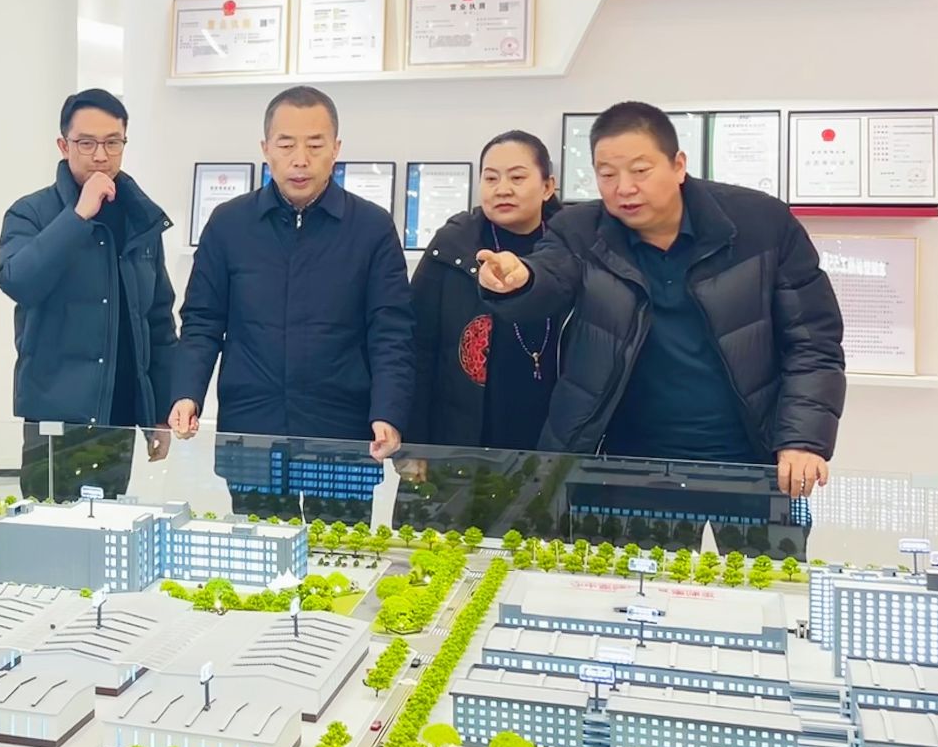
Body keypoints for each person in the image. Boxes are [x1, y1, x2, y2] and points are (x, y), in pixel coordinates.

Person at [474, 102, 846, 497]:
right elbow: (549, 277)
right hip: (629, 461)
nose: (624, 188)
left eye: (640, 171)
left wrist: (802, 439)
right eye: (607, 174)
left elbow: (813, 341)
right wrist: (520, 279)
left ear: (678, 165)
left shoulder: (762, 223)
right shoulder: (579, 231)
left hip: (753, 456)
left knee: (765, 542)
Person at [169, 86, 415, 460]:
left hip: (342, 430)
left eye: (315, 145)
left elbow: (391, 331)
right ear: (266, 149)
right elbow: (202, 321)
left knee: (340, 506)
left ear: (336, 149)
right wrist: (187, 394)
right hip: (250, 426)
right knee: (250, 504)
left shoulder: (372, 227)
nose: (300, 160)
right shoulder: (229, 224)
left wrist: (388, 413)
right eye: (286, 145)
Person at [0, 89, 177, 432]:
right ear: (64, 146)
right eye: (86, 143)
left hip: (122, 412)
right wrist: (77, 216)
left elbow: (158, 321)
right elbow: (18, 281)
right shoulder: (31, 212)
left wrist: (161, 413)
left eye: (113, 143)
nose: (100, 155)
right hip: (55, 415)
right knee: (50, 476)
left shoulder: (140, 218)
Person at [409, 132, 562, 451]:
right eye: (491, 178)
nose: (502, 189)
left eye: (517, 177)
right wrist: (414, 444)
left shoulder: (572, 247)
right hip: (464, 433)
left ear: (548, 186)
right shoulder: (452, 247)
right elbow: (417, 348)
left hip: (555, 434)